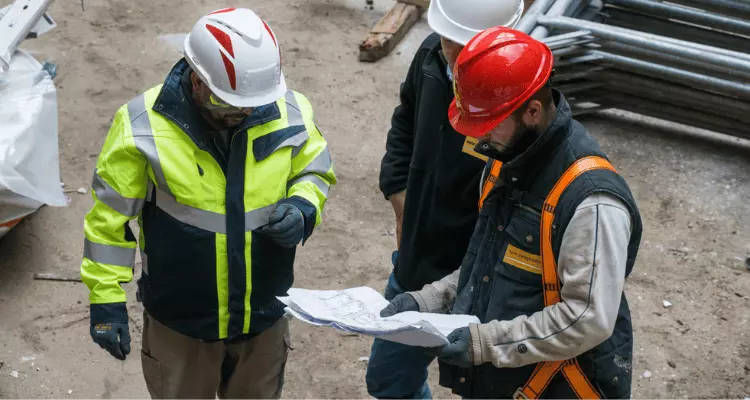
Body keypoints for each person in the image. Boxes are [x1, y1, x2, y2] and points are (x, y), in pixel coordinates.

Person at [80, 8, 336, 399]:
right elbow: (108, 222)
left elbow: (314, 169)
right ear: (197, 79)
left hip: (263, 317)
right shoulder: (142, 127)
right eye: (230, 102)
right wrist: (106, 299)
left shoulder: (288, 110)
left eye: (250, 103)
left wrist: (303, 206)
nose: (244, 112)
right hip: (181, 326)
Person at [380, 26, 642, 399]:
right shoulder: (506, 159)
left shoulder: (592, 202)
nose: (479, 139)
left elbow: (587, 318)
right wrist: (430, 299)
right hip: (504, 383)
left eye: (489, 125)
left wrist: (486, 344)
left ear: (532, 110)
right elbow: (486, 263)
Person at [368, 0, 525, 398]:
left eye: (464, 43)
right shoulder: (431, 57)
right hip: (416, 261)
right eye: (446, 37)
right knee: (389, 381)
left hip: (479, 281)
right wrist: (399, 195)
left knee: (479, 388)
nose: (450, 52)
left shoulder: (519, 92)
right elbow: (405, 119)